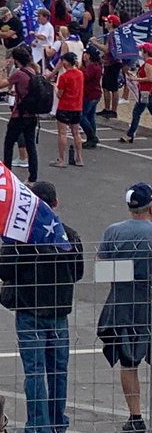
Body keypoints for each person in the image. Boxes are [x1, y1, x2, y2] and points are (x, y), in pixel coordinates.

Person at [0, 180, 83, 433]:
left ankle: (38, 425)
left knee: (34, 372)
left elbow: (4, 270)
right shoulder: (69, 235)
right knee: (58, 370)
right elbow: (77, 272)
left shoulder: (21, 237)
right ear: (55, 204)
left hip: (29, 309)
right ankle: (57, 422)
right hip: (58, 311)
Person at [97, 182, 152, 433]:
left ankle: (136, 416)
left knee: (128, 363)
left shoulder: (113, 231)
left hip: (122, 304)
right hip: (149, 302)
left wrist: (127, 273)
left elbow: (103, 270)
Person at [0, 45, 42, 184]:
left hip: (19, 113)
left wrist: (3, 70)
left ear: (16, 60)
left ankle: (7, 173)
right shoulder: (33, 70)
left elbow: (0, 85)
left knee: (8, 143)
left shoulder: (18, 73)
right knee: (31, 145)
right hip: (32, 113)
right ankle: (32, 176)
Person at [51, 51, 85, 168]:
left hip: (65, 106)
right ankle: (79, 157)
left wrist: (55, 88)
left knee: (62, 133)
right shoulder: (80, 74)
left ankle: (61, 159)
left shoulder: (64, 77)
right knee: (76, 133)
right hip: (77, 106)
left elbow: (60, 94)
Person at [123, 43, 152, 145]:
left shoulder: (148, 63)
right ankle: (129, 134)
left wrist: (135, 79)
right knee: (137, 112)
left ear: (145, 52)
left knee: (137, 113)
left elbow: (149, 78)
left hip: (146, 92)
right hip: (145, 92)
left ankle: (129, 135)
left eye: (142, 51)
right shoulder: (147, 63)